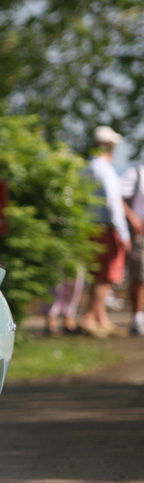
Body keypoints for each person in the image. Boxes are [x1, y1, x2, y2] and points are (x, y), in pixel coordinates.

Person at [82, 126, 132, 337]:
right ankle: (89, 319)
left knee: (97, 275)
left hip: (89, 226)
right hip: (106, 227)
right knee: (107, 276)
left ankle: (102, 320)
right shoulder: (105, 169)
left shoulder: (86, 168)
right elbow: (113, 204)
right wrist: (124, 233)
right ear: (110, 145)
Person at [121, 156, 144, 335]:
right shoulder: (135, 173)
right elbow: (117, 197)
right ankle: (138, 317)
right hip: (140, 234)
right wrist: (132, 218)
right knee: (139, 276)